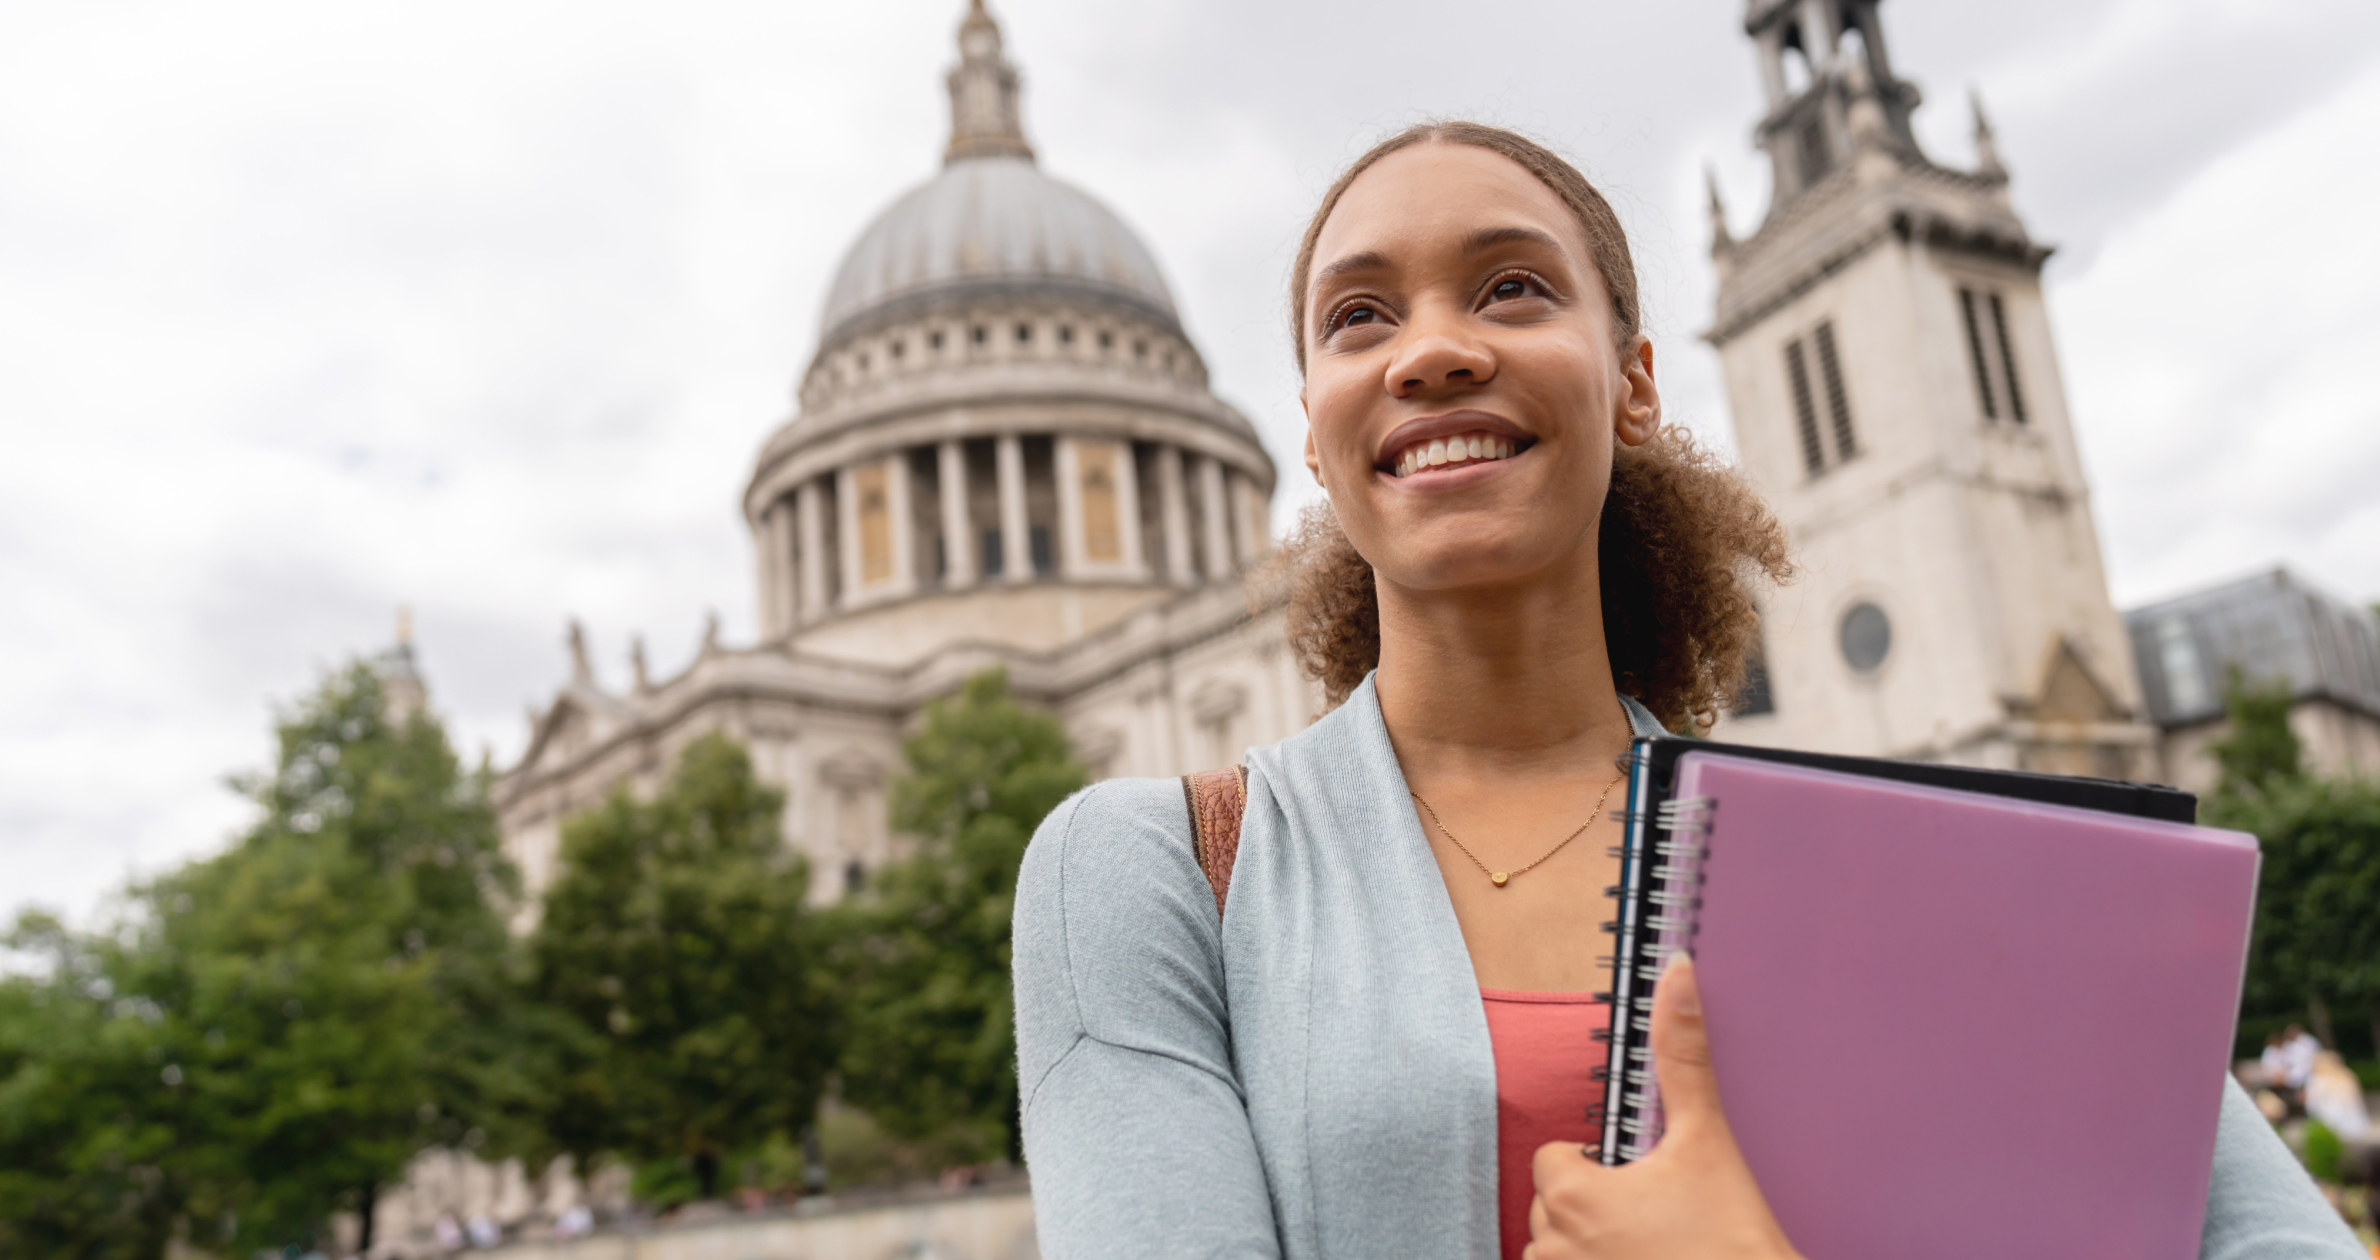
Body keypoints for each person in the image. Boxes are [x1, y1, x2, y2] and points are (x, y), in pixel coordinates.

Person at [1009, 121, 2365, 1259]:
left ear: (1636, 383)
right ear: (1312, 429)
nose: (1431, 349)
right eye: (1359, 316)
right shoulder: (1149, 874)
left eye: (1513, 289)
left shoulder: (1912, 860)